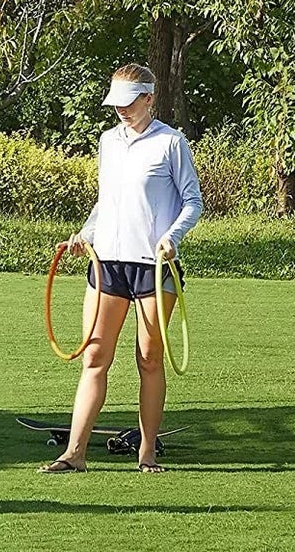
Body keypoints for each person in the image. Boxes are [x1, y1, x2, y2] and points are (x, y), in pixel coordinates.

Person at [39, 63, 204, 474]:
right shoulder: (108, 141)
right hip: (108, 262)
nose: (122, 111)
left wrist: (172, 238)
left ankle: (147, 452)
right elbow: (105, 201)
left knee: (149, 359)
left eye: (130, 103)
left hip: (154, 266)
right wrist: (85, 234)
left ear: (150, 98)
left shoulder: (171, 143)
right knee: (94, 356)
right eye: (117, 104)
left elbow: (192, 202)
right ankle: (74, 454)